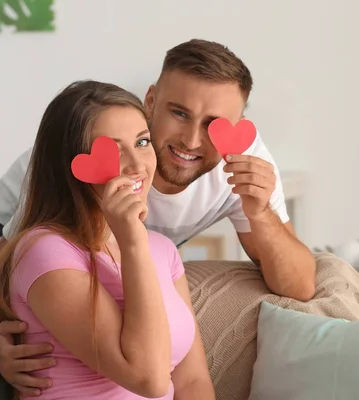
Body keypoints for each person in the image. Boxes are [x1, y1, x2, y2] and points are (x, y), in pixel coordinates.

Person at [0, 39, 316, 397]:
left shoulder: (169, 241)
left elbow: (300, 285)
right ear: (151, 101)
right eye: (179, 113)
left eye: (213, 124)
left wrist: (259, 213)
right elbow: (17, 265)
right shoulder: (54, 182)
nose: (192, 140)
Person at [0, 80, 216, 399]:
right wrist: (131, 241)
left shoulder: (162, 250)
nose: (137, 165)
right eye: (113, 150)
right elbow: (150, 379)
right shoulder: (44, 250)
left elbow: (192, 381)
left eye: (142, 142)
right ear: (72, 165)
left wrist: (134, 241)